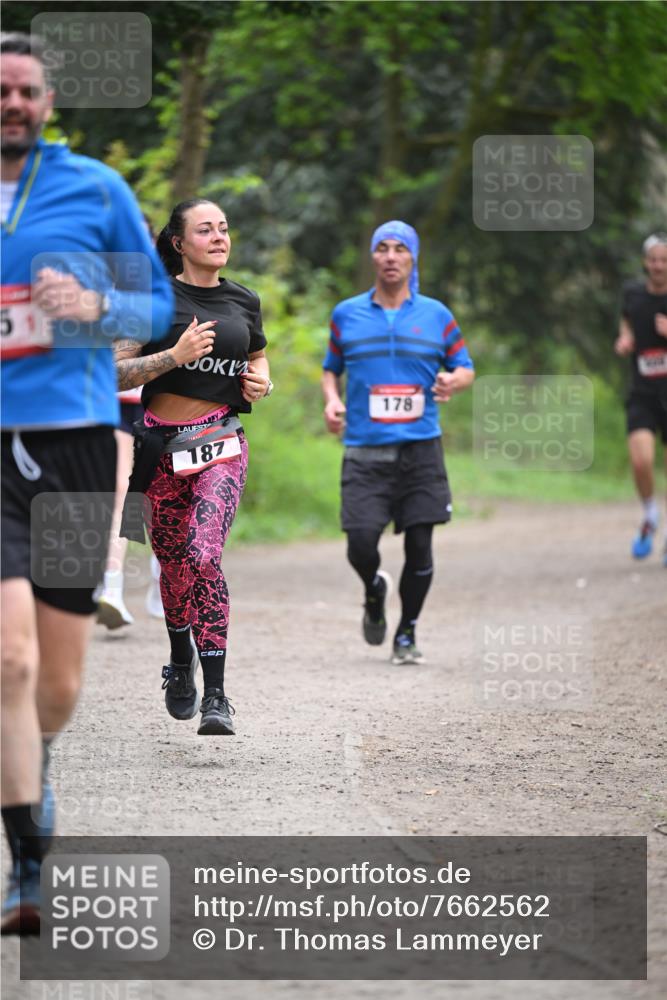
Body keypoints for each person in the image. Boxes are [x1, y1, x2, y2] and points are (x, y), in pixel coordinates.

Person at [0, 33, 173, 934]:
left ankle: (38, 757)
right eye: (1, 90)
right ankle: (27, 866)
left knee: (56, 683)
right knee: (9, 659)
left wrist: (97, 308)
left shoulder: (93, 188)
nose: (14, 103)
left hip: (71, 444)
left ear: (49, 103)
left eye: (27, 91)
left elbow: (155, 309)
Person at [116, 198, 272, 735]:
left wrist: (262, 381)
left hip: (221, 442)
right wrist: (172, 357)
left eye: (224, 228)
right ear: (179, 243)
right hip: (159, 449)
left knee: (204, 555)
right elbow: (113, 373)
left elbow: (255, 355)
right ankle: (179, 659)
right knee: (175, 567)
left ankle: (217, 696)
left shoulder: (244, 300)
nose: (219, 237)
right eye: (205, 230)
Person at [321, 220, 474, 664]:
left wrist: (452, 381)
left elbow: (465, 366)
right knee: (360, 543)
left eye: (399, 249)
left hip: (420, 449)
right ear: (373, 257)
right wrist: (332, 401)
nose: (390, 256)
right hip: (365, 450)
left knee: (420, 546)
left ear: (412, 258)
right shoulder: (346, 314)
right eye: (382, 248)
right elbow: (331, 367)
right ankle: (373, 589)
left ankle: (406, 631)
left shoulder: (436, 315)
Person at [614, 233, 667, 566]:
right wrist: (625, 337)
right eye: (654, 260)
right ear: (645, 262)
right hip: (643, 393)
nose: (659, 266)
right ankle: (650, 514)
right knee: (641, 461)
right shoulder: (633, 294)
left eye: (664, 260)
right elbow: (626, 321)